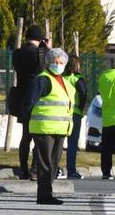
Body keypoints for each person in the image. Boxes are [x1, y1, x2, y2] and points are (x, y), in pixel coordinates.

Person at [21, 47, 74, 205]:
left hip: (60, 129)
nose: (58, 64)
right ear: (48, 62)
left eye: (61, 62)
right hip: (44, 128)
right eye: (55, 62)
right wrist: (29, 120)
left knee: (54, 163)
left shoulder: (65, 81)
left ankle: (47, 193)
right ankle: (44, 195)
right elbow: (28, 102)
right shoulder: (42, 79)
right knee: (45, 164)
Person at [12, 26, 48, 179]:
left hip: (21, 98)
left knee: (25, 136)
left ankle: (23, 169)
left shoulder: (17, 53)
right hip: (36, 98)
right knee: (38, 136)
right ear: (40, 39)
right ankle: (34, 169)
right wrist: (47, 49)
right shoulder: (40, 53)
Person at [60, 56, 88, 180]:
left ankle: (55, 169)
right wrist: (81, 109)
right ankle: (71, 170)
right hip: (74, 113)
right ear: (77, 65)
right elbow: (84, 94)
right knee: (72, 143)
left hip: (60, 113)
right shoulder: (77, 79)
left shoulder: (61, 78)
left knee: (58, 143)